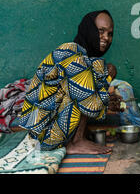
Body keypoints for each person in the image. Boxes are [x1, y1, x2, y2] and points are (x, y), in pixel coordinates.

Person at [17, 10, 118, 154]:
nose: (106, 38)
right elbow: (92, 105)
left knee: (98, 71)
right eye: (101, 31)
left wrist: (106, 96)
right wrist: (108, 79)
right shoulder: (72, 53)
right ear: (89, 29)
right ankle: (76, 142)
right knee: (100, 76)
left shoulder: (83, 57)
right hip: (44, 138)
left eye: (110, 34)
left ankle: (77, 138)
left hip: (48, 129)